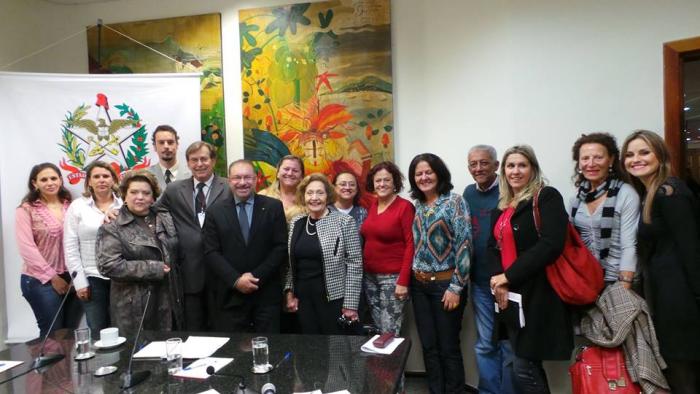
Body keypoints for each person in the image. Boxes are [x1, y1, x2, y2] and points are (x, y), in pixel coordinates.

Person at [487, 145, 573, 394]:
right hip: (510, 296)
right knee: (521, 363)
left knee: (524, 366)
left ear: (533, 169)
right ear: (503, 170)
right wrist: (499, 281)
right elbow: (492, 248)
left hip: (539, 293)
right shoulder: (503, 205)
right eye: (510, 165)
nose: (515, 171)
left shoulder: (546, 197)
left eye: (522, 165)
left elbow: (551, 244)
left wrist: (507, 276)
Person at [621, 130, 700, 393]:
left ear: (660, 155)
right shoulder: (650, 193)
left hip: (682, 299)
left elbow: (692, 249)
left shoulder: (670, 192)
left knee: (683, 371)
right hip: (668, 293)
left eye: (644, 152)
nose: (636, 159)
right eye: (630, 154)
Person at [409, 153, 471, 394]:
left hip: (446, 287)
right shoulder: (418, 205)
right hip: (419, 286)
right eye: (418, 174)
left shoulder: (455, 202)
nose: (424, 177)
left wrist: (456, 287)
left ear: (439, 173)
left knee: (448, 348)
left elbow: (465, 246)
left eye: (428, 172)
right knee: (429, 347)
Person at [203, 160, 288, 333]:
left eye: (247, 177)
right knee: (235, 353)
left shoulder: (273, 207)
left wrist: (255, 276)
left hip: (266, 294)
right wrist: (236, 280)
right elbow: (211, 252)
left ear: (256, 179)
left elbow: (280, 247)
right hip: (230, 296)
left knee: (269, 349)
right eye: (237, 177)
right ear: (229, 180)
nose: (242, 182)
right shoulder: (215, 211)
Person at [96, 170, 183, 337]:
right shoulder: (112, 225)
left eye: (146, 193)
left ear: (153, 197)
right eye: (134, 192)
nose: (140, 197)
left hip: (169, 298)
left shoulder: (164, 217)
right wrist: (152, 268)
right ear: (124, 195)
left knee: (170, 350)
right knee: (139, 357)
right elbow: (108, 265)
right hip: (135, 306)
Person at [157, 141, 229, 331]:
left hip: (223, 270)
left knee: (223, 328)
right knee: (193, 329)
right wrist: (118, 211)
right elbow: (153, 209)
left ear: (213, 161)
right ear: (188, 163)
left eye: (204, 159)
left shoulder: (229, 187)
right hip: (190, 271)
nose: (199, 164)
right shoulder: (174, 189)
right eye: (194, 160)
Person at [462, 145, 515, 394]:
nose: (478, 168)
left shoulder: (509, 191)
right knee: (485, 343)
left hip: (509, 281)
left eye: (484, 163)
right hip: (480, 282)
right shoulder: (468, 194)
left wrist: (506, 277)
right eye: (473, 164)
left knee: (509, 344)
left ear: (496, 165)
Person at [284, 174, 363, 335]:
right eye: (309, 193)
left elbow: (355, 264)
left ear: (328, 195)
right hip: (303, 299)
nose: (314, 198)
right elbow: (291, 264)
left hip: (333, 299)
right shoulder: (296, 223)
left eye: (320, 193)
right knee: (310, 349)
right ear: (303, 196)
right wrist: (289, 293)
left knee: (335, 350)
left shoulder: (344, 222)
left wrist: (350, 304)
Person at [16, 163, 81, 338]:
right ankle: (46, 367)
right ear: (34, 183)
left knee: (68, 335)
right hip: (40, 280)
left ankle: (65, 367)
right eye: (43, 179)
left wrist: (78, 275)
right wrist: (52, 277)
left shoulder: (72, 206)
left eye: (53, 178)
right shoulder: (26, 210)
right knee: (53, 335)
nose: (50, 183)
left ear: (60, 180)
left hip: (72, 279)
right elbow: (26, 248)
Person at [570, 133, 639, 287]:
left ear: (611, 160)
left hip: (617, 278)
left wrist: (625, 284)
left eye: (598, 157)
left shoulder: (625, 193)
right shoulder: (576, 197)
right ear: (579, 163)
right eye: (585, 158)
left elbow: (630, 245)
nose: (591, 163)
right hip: (584, 278)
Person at [64, 161, 122, 335]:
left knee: (123, 329)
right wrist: (79, 282)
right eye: (96, 176)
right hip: (92, 277)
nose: (101, 180)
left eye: (106, 176)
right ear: (89, 181)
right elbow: (70, 246)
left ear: (113, 180)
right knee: (98, 330)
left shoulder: (124, 205)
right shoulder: (77, 207)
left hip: (121, 275)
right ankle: (102, 363)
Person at [360, 161, 414, 335]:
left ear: (395, 182)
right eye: (378, 181)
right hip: (370, 278)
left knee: (389, 332)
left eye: (386, 180)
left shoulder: (404, 207)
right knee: (377, 330)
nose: (382, 184)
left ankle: (390, 363)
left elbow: (411, 244)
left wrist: (403, 281)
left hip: (392, 279)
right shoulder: (373, 205)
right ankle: (379, 363)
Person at [259, 155, 305, 222]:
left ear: (301, 177)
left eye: (295, 170)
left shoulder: (307, 199)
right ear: (278, 173)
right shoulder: (263, 196)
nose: (290, 173)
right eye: (286, 169)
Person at [147, 125, 191, 191]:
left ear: (177, 145)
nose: (166, 146)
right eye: (161, 142)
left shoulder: (192, 174)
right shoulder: (145, 176)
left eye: (170, 142)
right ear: (155, 147)